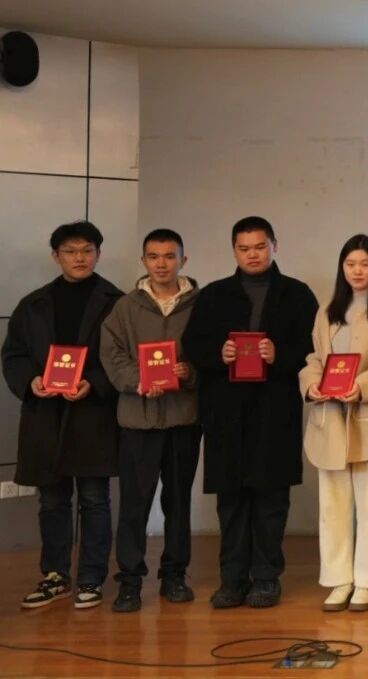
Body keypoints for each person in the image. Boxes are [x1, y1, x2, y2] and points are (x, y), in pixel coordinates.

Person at [183, 216, 318, 609]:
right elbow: (193, 345)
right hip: (226, 413)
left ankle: (266, 578)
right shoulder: (214, 295)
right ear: (234, 251)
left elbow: (315, 350)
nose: (253, 255)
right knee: (231, 501)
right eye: (244, 248)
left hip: (275, 411)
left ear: (275, 246)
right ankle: (232, 580)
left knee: (271, 499)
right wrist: (218, 354)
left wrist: (281, 355)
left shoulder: (297, 294)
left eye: (260, 246)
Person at [3, 221, 122, 610]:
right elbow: (14, 355)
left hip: (93, 414)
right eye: (70, 251)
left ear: (98, 254)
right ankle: (55, 575)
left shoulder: (117, 302)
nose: (79, 258)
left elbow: (124, 358)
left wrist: (95, 383)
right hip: (46, 414)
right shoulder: (33, 304)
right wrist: (31, 380)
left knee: (95, 499)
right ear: (56, 256)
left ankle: (91, 577)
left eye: (87, 250)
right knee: (52, 500)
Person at [299, 235, 368, 612]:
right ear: (342, 268)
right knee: (332, 507)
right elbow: (315, 358)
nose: (357, 271)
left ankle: (365, 581)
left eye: (365, 264)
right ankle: (338, 580)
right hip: (329, 418)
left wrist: (360, 387)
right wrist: (311, 384)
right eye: (350, 264)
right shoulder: (328, 310)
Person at [100, 228, 202, 612]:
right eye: (154, 256)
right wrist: (138, 380)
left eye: (169, 256)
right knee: (134, 504)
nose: (162, 264)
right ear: (143, 260)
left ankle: (174, 576)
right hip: (137, 421)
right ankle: (129, 581)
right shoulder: (125, 307)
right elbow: (111, 355)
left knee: (178, 502)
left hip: (183, 419)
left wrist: (189, 372)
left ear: (183, 260)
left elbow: (210, 354)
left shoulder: (200, 305)